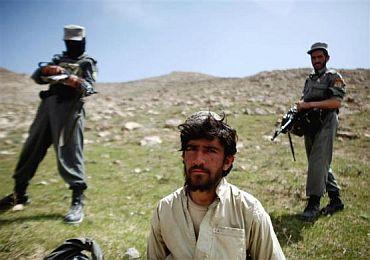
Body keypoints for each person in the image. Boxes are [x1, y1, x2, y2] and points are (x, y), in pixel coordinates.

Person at [147, 111, 285, 259]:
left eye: (210, 150)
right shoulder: (165, 210)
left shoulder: (248, 210)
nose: (198, 160)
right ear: (183, 156)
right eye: (192, 149)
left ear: (227, 161)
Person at [0, 25, 98, 224]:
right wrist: (46, 70)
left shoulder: (87, 62)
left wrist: (75, 81)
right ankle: (19, 194)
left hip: (69, 110)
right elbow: (38, 77)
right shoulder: (57, 60)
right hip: (47, 108)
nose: (73, 46)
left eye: (76, 43)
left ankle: (77, 201)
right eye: (70, 43)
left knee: (70, 152)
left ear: (83, 43)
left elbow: (89, 87)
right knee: (31, 148)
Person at [296, 42, 345, 221]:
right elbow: (304, 99)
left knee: (318, 161)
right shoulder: (309, 79)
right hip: (310, 125)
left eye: (319, 57)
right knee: (318, 161)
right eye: (313, 57)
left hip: (327, 122)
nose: (316, 60)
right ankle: (336, 199)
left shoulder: (333, 76)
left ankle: (313, 204)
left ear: (326, 58)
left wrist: (309, 104)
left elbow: (336, 102)